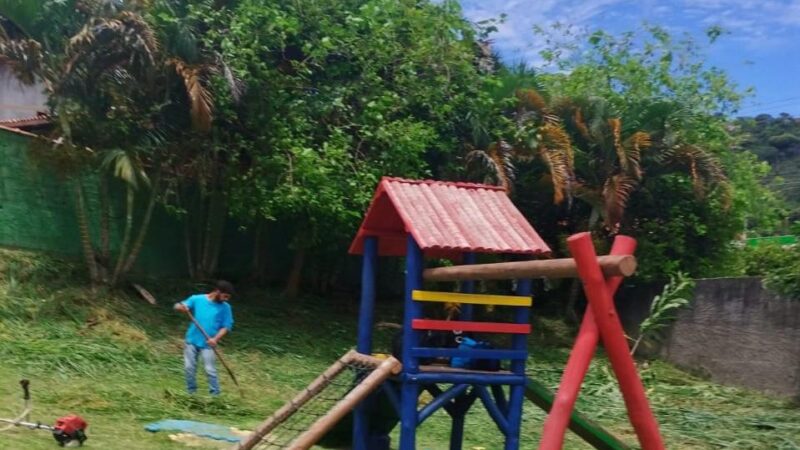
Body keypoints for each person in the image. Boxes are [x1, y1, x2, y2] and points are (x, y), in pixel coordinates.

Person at [174, 280, 235, 395]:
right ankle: (191, 393)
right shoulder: (197, 299)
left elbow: (226, 326)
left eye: (228, 297)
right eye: (225, 296)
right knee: (189, 368)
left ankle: (215, 395)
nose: (226, 299)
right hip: (191, 340)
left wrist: (215, 339)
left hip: (208, 343)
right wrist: (181, 307)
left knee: (210, 370)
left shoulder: (226, 307)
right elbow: (178, 306)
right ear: (217, 291)